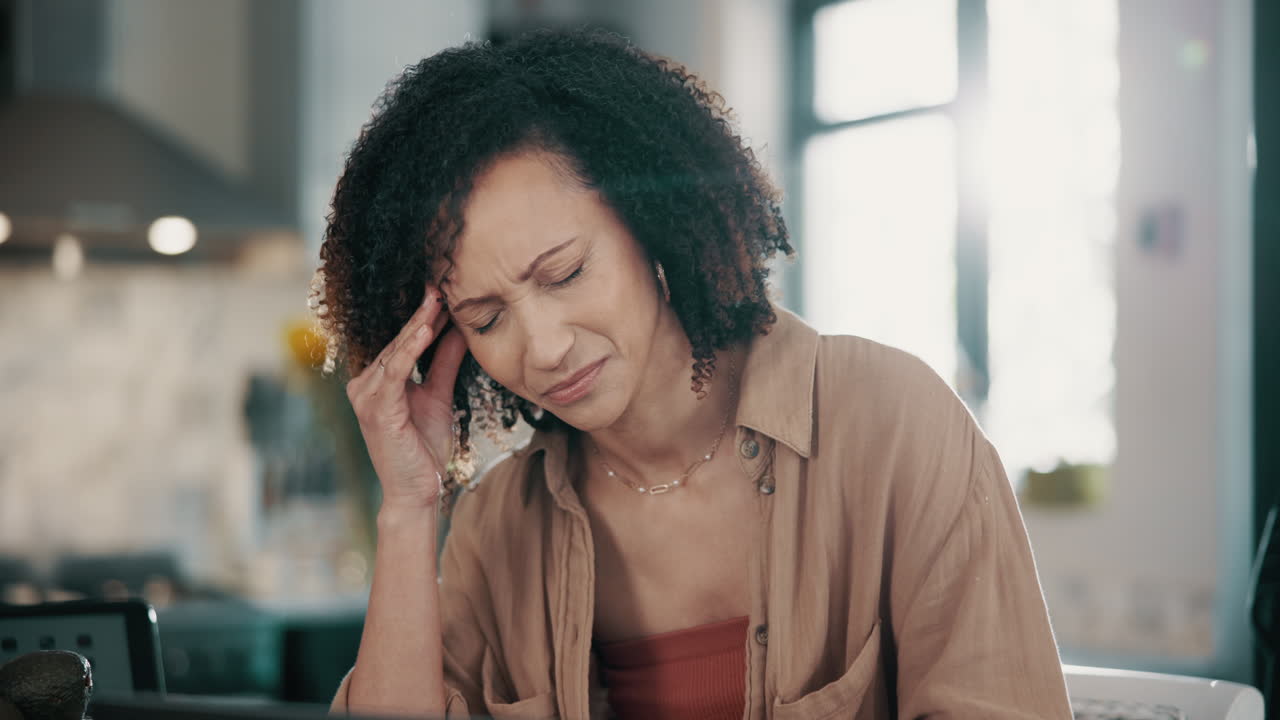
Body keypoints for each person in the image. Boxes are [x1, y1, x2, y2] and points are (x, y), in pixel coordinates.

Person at [311, 27, 1072, 720]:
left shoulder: (895, 427)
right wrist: (409, 510)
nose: (540, 348)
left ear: (651, 225)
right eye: (486, 318)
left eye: (566, 273)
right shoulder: (499, 528)